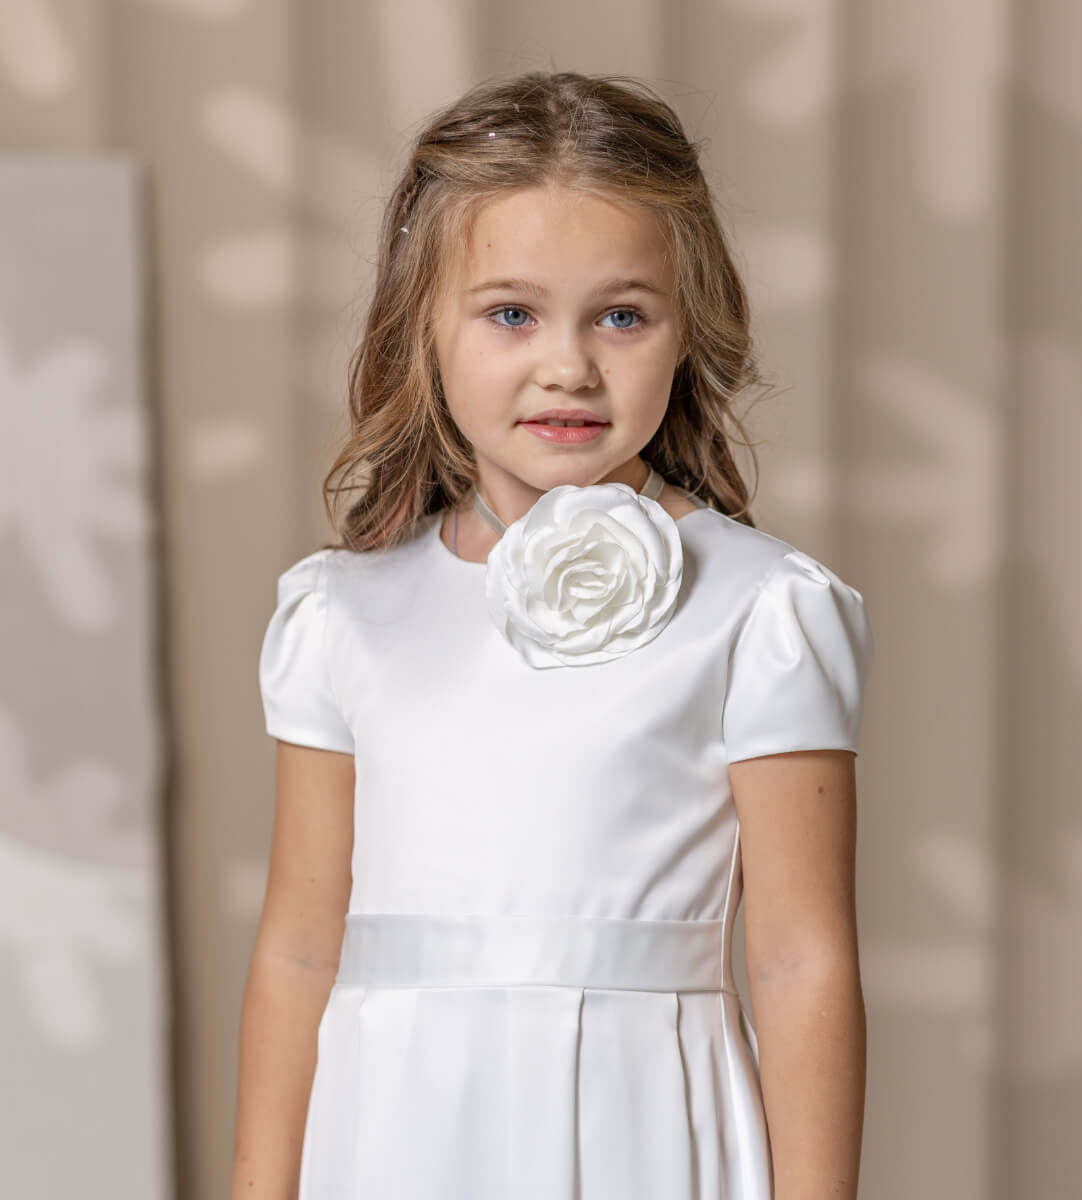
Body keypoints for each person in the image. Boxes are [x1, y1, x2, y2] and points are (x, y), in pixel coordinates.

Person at [232, 69, 874, 1200]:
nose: (568, 365)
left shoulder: (762, 610)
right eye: (511, 313)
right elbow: (296, 949)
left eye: (622, 315)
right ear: (423, 328)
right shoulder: (341, 613)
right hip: (391, 1134)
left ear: (690, 328)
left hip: (644, 1132)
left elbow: (799, 956)